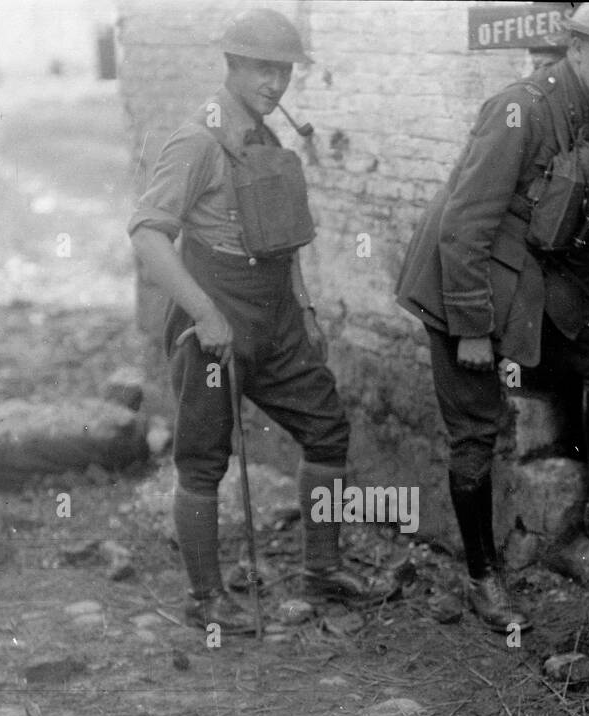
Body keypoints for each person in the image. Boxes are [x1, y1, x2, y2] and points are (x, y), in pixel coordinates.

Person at [395, 3, 589, 630]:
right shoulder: (519, 109)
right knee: (477, 431)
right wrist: (469, 329)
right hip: (457, 281)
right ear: (575, 48)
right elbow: (464, 226)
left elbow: (581, 229)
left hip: (522, 271)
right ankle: (481, 578)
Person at [129, 8, 394, 633]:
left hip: (276, 315)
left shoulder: (269, 136)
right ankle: (207, 600)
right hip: (217, 317)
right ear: (233, 65)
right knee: (203, 461)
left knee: (327, 429)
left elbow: (284, 235)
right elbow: (147, 234)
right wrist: (204, 313)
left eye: (283, 72)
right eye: (261, 70)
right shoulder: (199, 138)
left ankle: (322, 572)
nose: (274, 84)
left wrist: (303, 308)